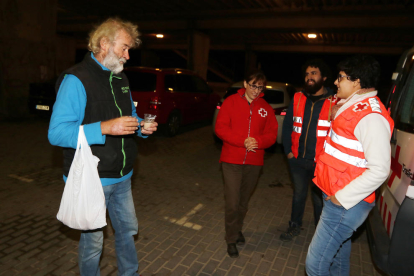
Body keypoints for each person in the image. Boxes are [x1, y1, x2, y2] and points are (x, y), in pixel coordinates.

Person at [48, 18, 157, 276]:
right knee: (93, 243)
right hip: (91, 178)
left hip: (123, 175)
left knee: (127, 232)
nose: (127, 56)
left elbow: (129, 115)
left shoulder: (121, 78)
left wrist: (141, 127)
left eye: (129, 50)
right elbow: (57, 133)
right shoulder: (76, 79)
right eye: (124, 48)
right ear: (104, 43)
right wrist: (105, 127)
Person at [305, 55, 393, 276]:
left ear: (357, 82)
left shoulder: (371, 116)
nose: (336, 82)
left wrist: (340, 199)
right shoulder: (354, 105)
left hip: (345, 203)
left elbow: (380, 170)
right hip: (338, 197)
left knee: (315, 266)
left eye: (341, 77)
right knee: (338, 259)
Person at [215, 71, 278, 258]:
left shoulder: (265, 107)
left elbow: (272, 134)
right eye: (253, 85)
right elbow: (220, 128)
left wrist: (257, 141)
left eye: (260, 87)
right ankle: (231, 238)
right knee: (233, 203)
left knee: (243, 203)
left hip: (254, 162)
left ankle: (237, 229)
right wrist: (243, 141)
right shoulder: (231, 102)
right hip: (231, 160)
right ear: (245, 83)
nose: (256, 91)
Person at [280, 59, 337, 242]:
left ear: (324, 78)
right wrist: (288, 151)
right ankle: (294, 225)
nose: (309, 77)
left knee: (319, 200)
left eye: (314, 73)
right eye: (307, 74)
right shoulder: (297, 98)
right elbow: (288, 126)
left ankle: (320, 234)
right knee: (298, 195)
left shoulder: (335, 102)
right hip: (297, 159)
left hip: (320, 163)